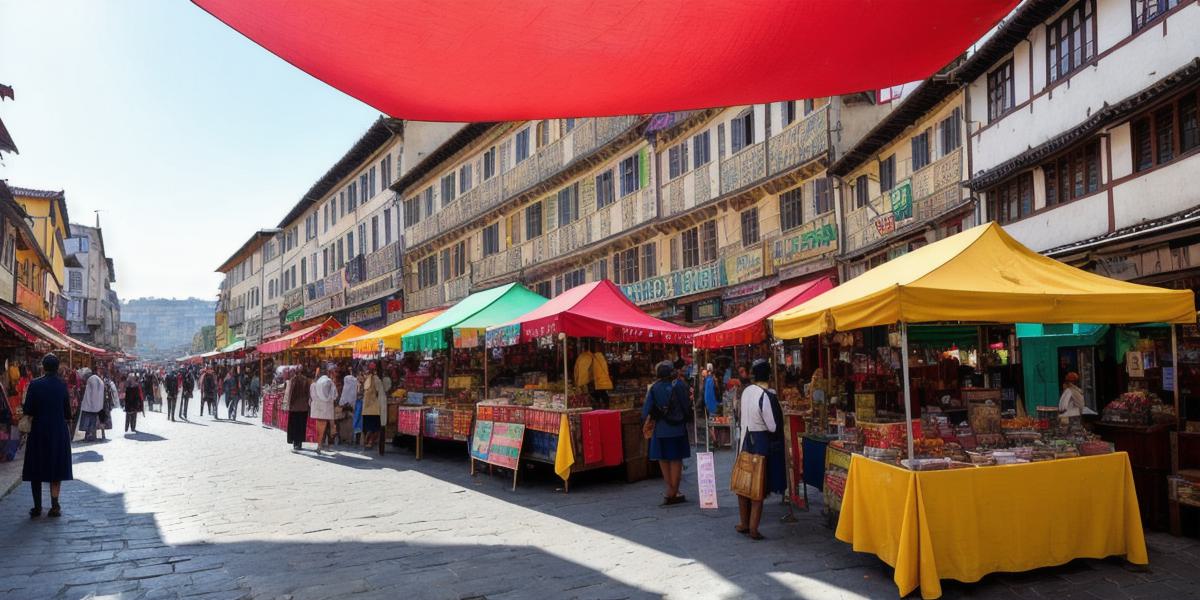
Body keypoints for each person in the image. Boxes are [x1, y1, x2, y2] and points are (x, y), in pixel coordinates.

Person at [736, 360, 786, 540]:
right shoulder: (766, 395)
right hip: (759, 442)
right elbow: (772, 426)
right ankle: (753, 528)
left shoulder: (745, 391)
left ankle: (743, 522)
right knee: (757, 485)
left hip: (744, 441)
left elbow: (740, 416)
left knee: (743, 484)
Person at [23, 354, 73, 518]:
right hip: (58, 431)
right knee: (56, 468)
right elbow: (67, 412)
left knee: (36, 468)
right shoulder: (62, 385)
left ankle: (37, 507)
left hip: (39, 431)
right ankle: (54, 504)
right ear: (57, 367)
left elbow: (28, 410)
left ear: (43, 367)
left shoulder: (35, 384)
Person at [642, 361, 691, 506]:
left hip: (661, 429)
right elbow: (687, 406)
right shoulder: (680, 385)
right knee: (676, 459)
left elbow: (646, 411)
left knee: (663, 459)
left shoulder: (654, 388)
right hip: (678, 428)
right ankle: (674, 491)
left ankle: (671, 490)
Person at [309, 366, 337, 453]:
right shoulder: (330, 383)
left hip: (318, 409)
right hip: (327, 409)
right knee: (328, 427)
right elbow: (334, 395)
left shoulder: (314, 384)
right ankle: (327, 445)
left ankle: (319, 445)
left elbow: (312, 397)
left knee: (319, 429)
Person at [286, 368, 312, 451]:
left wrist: (289, 404)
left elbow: (291, 393)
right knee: (301, 425)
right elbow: (309, 393)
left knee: (294, 425)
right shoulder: (307, 381)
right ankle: (299, 442)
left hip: (294, 408)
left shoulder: (293, 380)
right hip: (303, 407)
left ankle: (295, 442)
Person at [361, 363, 386, 450]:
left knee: (370, 426)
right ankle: (370, 441)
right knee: (373, 427)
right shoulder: (374, 379)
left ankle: (369, 441)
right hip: (372, 408)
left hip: (370, 407)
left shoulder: (372, 379)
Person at [77, 369, 105, 442]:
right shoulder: (95, 378)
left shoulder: (92, 380)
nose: (83, 379)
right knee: (92, 421)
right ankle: (90, 436)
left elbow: (93, 394)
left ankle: (90, 436)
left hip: (90, 406)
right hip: (94, 405)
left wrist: (92, 404)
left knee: (89, 422)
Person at [337, 366, 358, 445]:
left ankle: (344, 438)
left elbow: (342, 400)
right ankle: (349, 438)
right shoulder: (353, 387)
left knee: (344, 425)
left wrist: (343, 405)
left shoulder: (346, 388)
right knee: (349, 424)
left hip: (346, 410)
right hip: (351, 410)